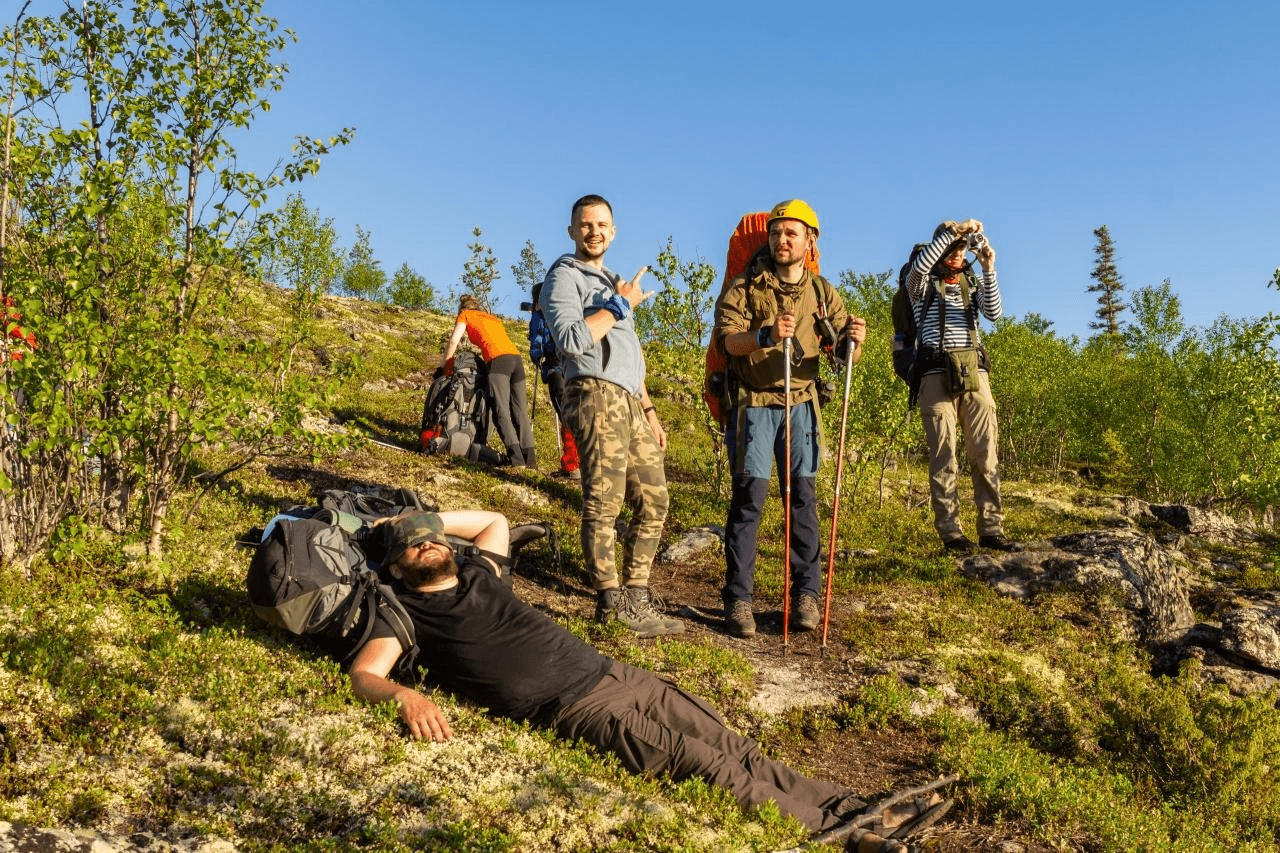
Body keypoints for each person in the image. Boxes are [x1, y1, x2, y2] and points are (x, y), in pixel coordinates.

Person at [347, 509, 884, 840]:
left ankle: (851, 806)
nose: (428, 544)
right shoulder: (403, 612)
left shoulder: (479, 572)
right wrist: (405, 699)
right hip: (581, 708)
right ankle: (839, 835)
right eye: (413, 545)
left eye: (433, 538)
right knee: (711, 766)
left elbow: (495, 523)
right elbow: (364, 675)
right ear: (395, 566)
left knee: (738, 748)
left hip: (618, 674)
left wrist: (418, 519)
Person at [712, 200, 866, 638]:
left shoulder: (823, 293)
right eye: (777, 232)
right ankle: (738, 601)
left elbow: (840, 350)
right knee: (749, 502)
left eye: (792, 233)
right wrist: (764, 335)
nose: (782, 240)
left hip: (803, 405)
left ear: (809, 241)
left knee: (804, 503)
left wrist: (854, 340)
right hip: (755, 404)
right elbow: (727, 342)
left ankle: (806, 596)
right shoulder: (745, 287)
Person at [538, 194, 682, 637]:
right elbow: (570, 340)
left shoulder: (615, 280)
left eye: (602, 225)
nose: (594, 231)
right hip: (592, 393)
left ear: (613, 231)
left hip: (628, 401)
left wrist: (651, 411)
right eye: (585, 224)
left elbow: (628, 357)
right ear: (571, 231)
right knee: (604, 500)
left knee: (655, 500)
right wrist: (619, 306)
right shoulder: (564, 276)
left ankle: (636, 599)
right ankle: (608, 602)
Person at [905, 218, 1016, 554]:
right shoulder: (920, 284)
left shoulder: (970, 281)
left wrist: (987, 267)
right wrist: (953, 233)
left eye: (961, 248)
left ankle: (991, 529)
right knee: (944, 455)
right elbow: (920, 268)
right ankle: (952, 534)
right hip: (935, 372)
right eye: (951, 247)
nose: (957, 252)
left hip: (974, 372)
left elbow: (994, 313)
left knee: (985, 452)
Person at [442, 294, 535, 467]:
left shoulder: (465, 315)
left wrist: (445, 366)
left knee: (500, 411)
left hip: (498, 362)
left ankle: (516, 460)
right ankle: (530, 462)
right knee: (520, 412)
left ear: (462, 309)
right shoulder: (493, 319)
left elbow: (454, 340)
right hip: (516, 360)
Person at [528, 282, 580, 479]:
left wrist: (537, 356)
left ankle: (572, 465)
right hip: (572, 366)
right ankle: (575, 463)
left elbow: (537, 343)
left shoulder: (539, 315)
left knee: (565, 414)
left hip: (554, 367)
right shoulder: (563, 312)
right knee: (572, 412)